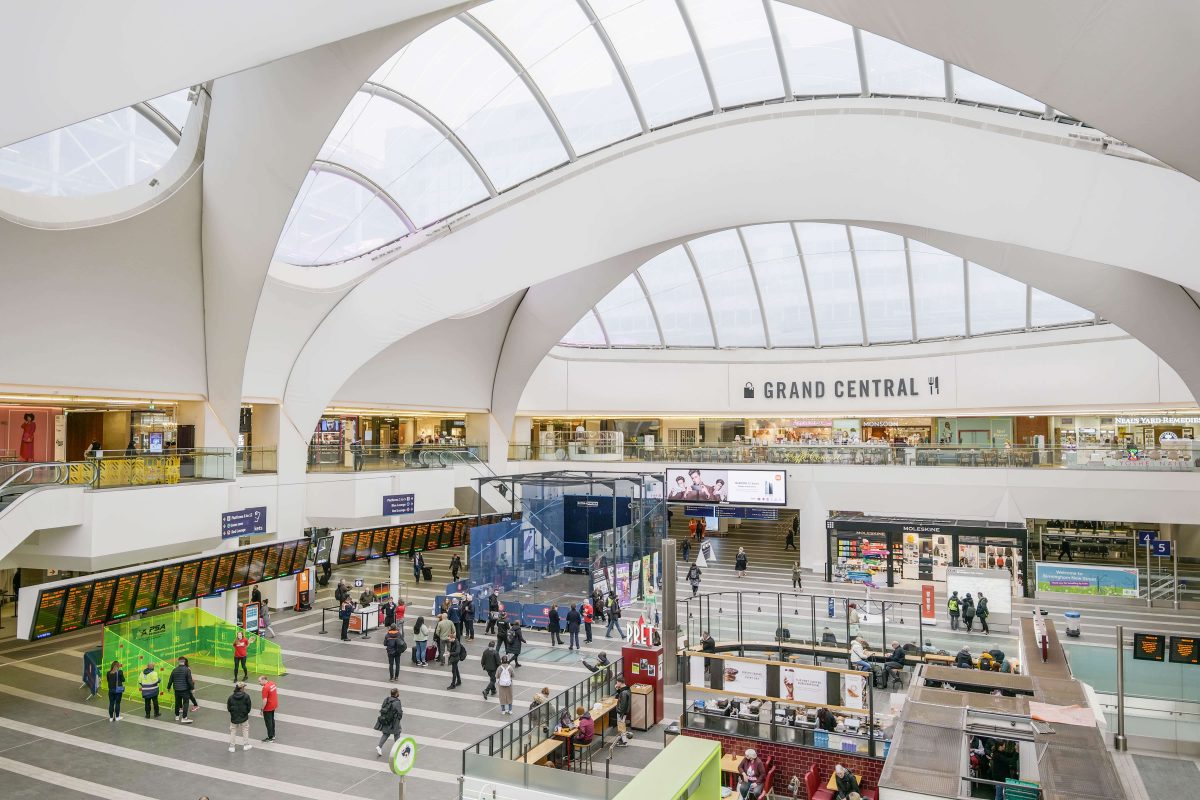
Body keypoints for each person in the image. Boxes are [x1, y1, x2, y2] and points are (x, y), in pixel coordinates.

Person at [374, 688, 404, 756]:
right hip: (394, 721)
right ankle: (398, 749)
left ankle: (379, 746)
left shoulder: (387, 699)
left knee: (386, 734)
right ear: (396, 694)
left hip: (386, 719)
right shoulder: (397, 702)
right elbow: (399, 712)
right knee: (397, 733)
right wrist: (399, 718)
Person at [226, 682, 253, 753]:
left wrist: (233, 713)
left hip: (234, 718)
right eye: (244, 687)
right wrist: (245, 713)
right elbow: (249, 708)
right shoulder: (246, 696)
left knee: (233, 731)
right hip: (244, 717)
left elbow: (228, 708)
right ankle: (246, 745)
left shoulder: (231, 697)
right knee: (245, 730)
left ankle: (232, 747)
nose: (244, 688)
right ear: (241, 688)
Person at [169, 656, 196, 724]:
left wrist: (168, 687)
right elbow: (189, 680)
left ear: (179, 662)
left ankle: (177, 716)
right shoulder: (187, 670)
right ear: (184, 662)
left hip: (177, 690)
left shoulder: (174, 670)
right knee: (186, 703)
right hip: (185, 690)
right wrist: (192, 688)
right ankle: (184, 718)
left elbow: (171, 679)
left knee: (177, 703)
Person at [259, 675, 278, 742]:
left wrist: (262, 709)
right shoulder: (272, 683)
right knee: (272, 720)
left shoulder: (265, 688)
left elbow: (265, 700)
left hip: (268, 707)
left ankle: (270, 737)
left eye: (260, 681)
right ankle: (273, 735)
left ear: (264, 680)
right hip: (273, 705)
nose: (259, 683)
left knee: (268, 722)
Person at [614, 678, 632, 746]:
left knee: (621, 726)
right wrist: (617, 689)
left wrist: (619, 711)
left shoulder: (624, 692)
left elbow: (623, 704)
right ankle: (623, 739)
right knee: (622, 725)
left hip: (621, 713)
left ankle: (624, 742)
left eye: (617, 682)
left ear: (620, 683)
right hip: (624, 712)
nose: (616, 684)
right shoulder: (626, 689)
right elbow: (621, 693)